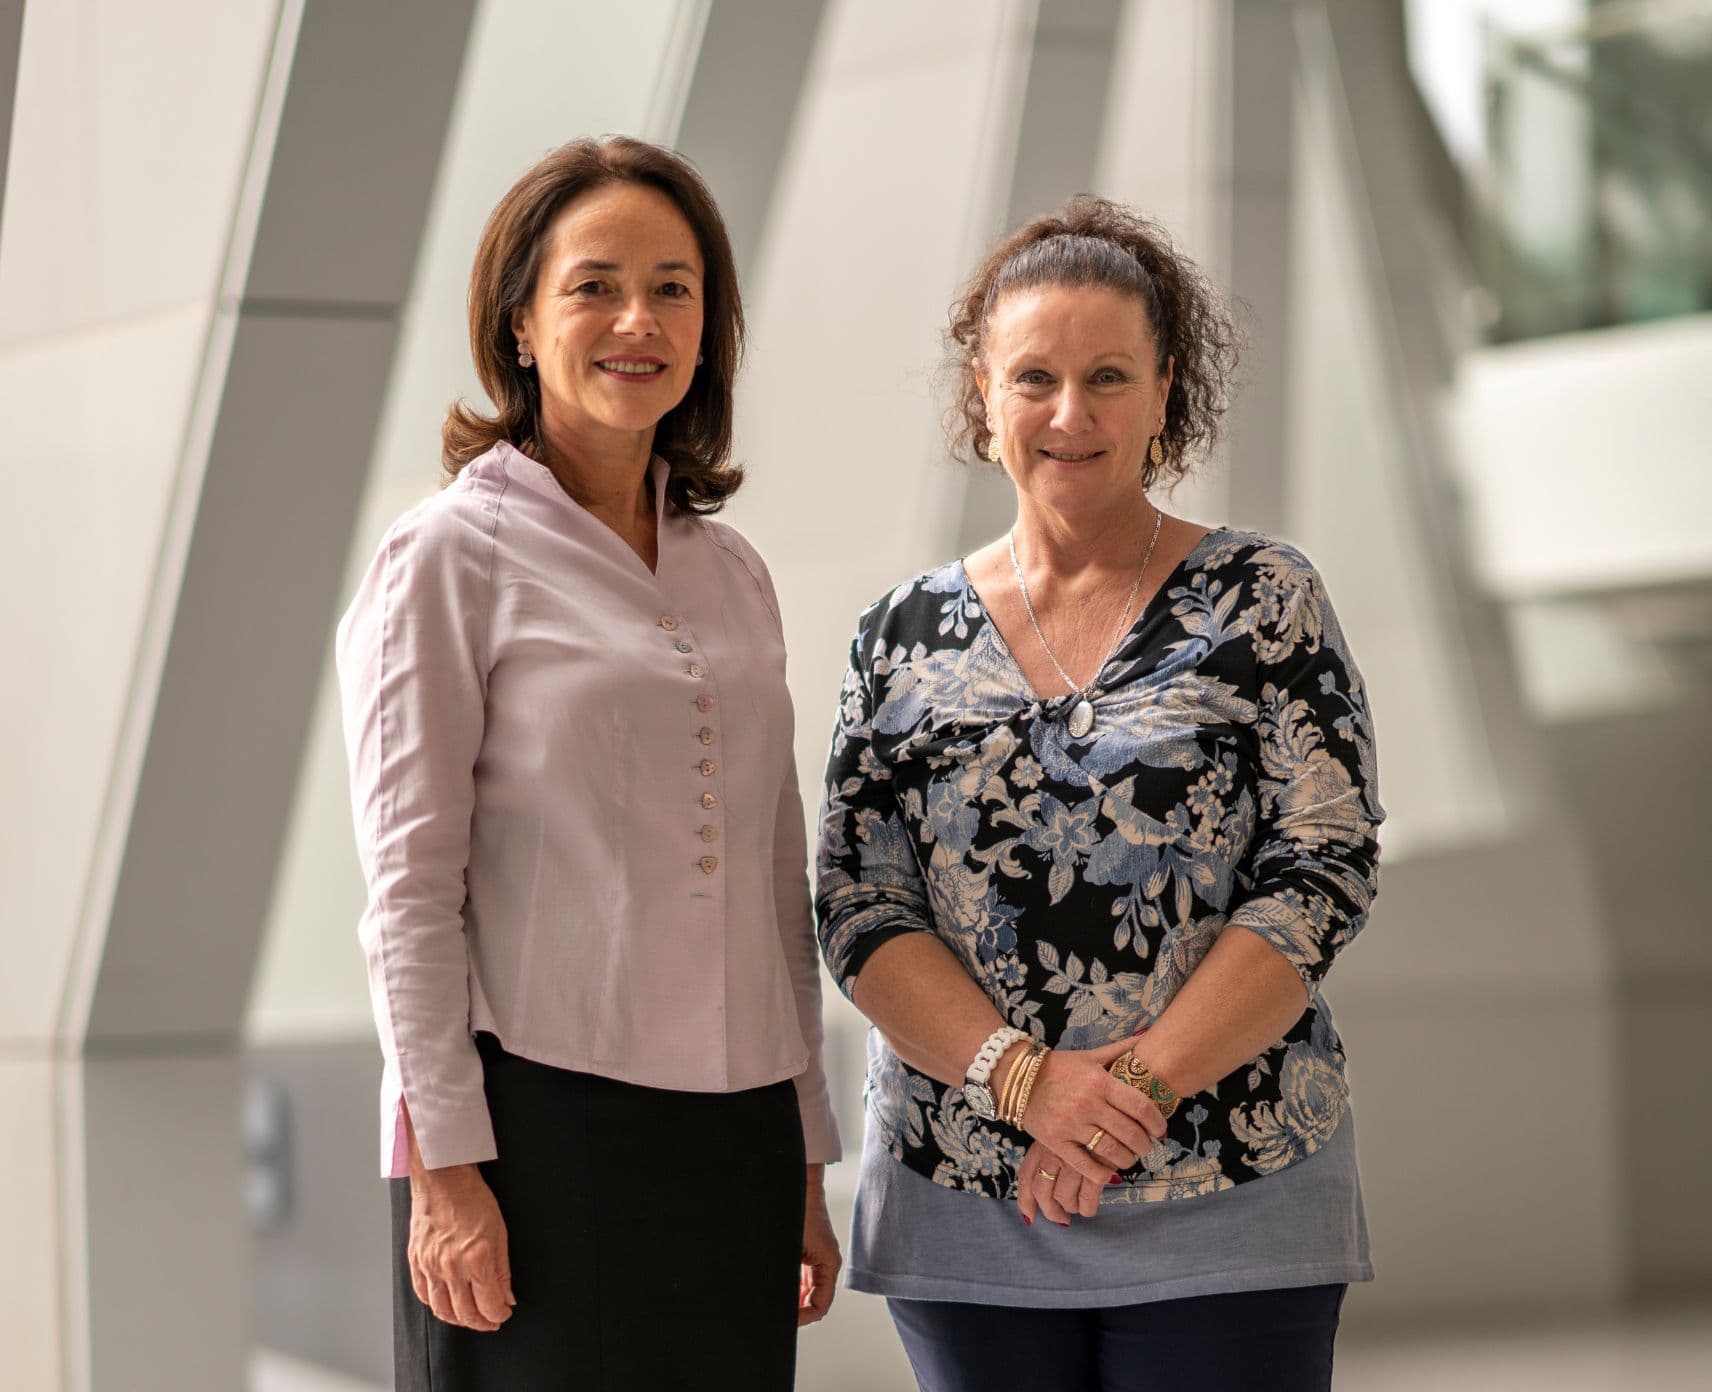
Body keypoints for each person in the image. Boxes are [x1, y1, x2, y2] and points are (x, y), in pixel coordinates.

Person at [815, 196, 1383, 1392]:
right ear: (982, 391)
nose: (1069, 415)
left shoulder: (1263, 598)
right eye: (1034, 378)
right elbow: (857, 904)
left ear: (1164, 390)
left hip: (1234, 1189)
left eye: (1108, 377)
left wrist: (1125, 1092)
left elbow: (1320, 870)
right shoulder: (899, 636)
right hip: (962, 1199)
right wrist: (1025, 1085)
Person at [336, 136, 840, 1391]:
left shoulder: (732, 572)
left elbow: (777, 879)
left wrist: (804, 1156)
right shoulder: (447, 555)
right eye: (593, 285)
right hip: (533, 1138)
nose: (638, 319)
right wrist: (444, 1173)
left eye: (674, 287)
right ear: (518, 324)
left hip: (733, 1140)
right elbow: (407, 893)